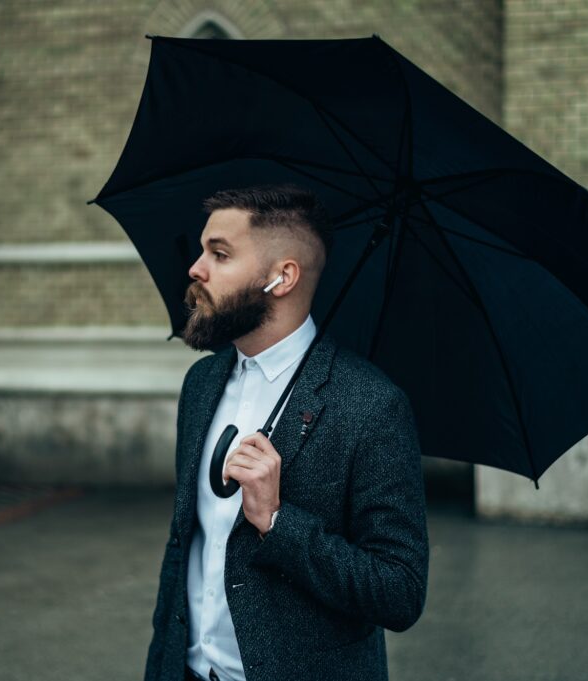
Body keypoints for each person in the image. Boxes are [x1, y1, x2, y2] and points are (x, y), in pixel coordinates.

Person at [144, 183, 429, 681]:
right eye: (202, 250)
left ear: (282, 277)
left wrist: (278, 521)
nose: (196, 268)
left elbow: (399, 590)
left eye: (220, 253)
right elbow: (184, 552)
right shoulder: (202, 384)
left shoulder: (371, 407)